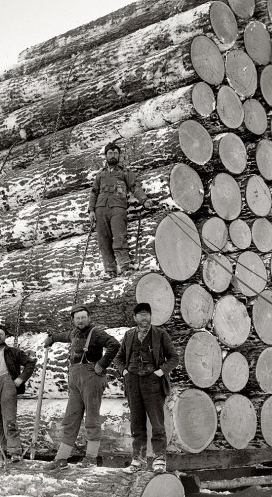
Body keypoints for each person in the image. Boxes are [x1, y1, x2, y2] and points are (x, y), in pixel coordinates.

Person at [43, 305, 120, 470]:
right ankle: (61, 459)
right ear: (73, 320)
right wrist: (52, 338)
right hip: (75, 379)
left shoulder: (97, 332)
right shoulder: (74, 333)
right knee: (71, 418)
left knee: (92, 418)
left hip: (91, 378)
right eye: (77, 318)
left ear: (89, 317)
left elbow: (114, 344)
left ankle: (91, 458)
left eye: (83, 317)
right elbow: (64, 336)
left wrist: (102, 364)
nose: (80, 320)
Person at [114, 302, 179, 474]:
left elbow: (174, 358)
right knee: (137, 424)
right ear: (135, 318)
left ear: (151, 316)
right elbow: (118, 358)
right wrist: (125, 372)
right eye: (140, 315)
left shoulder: (160, 334)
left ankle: (159, 459)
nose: (144, 318)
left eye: (146, 314)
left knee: (157, 423)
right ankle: (138, 459)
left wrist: (160, 372)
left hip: (153, 384)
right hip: (133, 383)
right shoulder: (129, 336)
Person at [87, 141, 158, 277]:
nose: (113, 155)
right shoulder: (100, 174)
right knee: (103, 241)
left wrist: (144, 200)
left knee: (120, 237)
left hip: (118, 209)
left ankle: (125, 267)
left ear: (119, 156)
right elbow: (94, 192)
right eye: (110, 153)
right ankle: (110, 270)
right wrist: (91, 210)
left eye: (115, 153)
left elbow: (135, 186)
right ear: (106, 156)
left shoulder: (125, 172)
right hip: (100, 209)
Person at [0, 323, 37, 463]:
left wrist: (20, 379)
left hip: (8, 383)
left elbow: (30, 363)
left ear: (5, 337)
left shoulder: (13, 352)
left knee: (9, 420)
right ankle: (0, 451)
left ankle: (15, 452)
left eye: (1, 334)